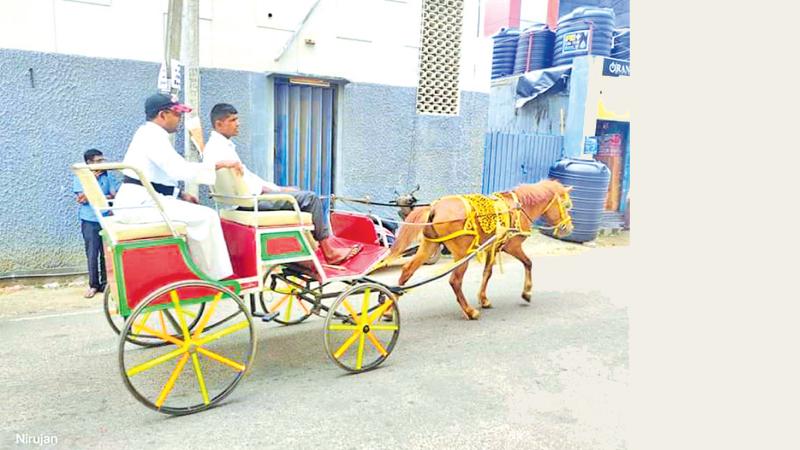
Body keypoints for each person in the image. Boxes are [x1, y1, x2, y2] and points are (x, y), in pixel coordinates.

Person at [202, 103, 361, 265]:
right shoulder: (220, 150)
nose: (238, 123)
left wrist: (279, 189)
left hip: (239, 201)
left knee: (298, 195)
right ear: (219, 124)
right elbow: (251, 185)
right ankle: (329, 251)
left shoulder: (216, 148)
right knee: (311, 199)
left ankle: (305, 254)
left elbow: (249, 179)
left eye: (237, 119)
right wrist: (278, 191)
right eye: (233, 120)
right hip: (250, 201)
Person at [112, 93, 244, 280]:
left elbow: (159, 176)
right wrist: (218, 164)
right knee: (207, 217)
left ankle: (198, 269)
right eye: (177, 114)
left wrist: (180, 193)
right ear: (163, 115)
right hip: (141, 204)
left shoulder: (149, 134)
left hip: (141, 199)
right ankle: (214, 276)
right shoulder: (153, 137)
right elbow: (178, 169)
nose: (179, 119)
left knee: (197, 214)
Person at [73, 149, 119, 298]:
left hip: (106, 219)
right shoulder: (81, 177)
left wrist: (100, 197)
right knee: (92, 253)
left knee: (107, 253)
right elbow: (82, 199)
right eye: (98, 161)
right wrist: (92, 183)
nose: (102, 164)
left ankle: (107, 284)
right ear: (89, 163)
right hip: (89, 220)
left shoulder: (108, 175)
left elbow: (115, 195)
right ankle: (93, 285)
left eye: (102, 160)